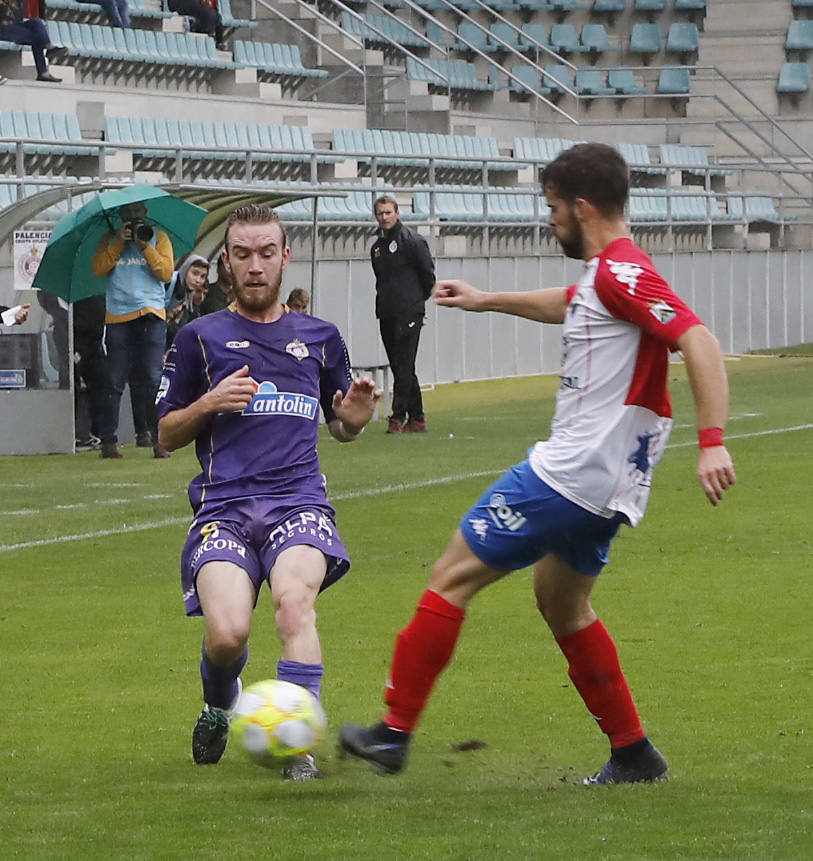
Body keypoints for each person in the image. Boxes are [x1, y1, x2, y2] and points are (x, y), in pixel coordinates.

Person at [339, 143, 737, 784]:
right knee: (563, 604)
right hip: (608, 483)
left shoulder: (623, 273)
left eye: (552, 207)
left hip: (571, 473)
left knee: (449, 577)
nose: (549, 220)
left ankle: (392, 733)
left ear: (582, 207)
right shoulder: (607, 276)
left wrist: (712, 438)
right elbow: (571, 302)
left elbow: (697, 338)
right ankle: (634, 753)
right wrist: (486, 298)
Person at [155, 204, 380, 780]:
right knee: (227, 633)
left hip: (298, 502)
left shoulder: (321, 338)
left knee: (293, 602)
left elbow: (343, 426)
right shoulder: (198, 338)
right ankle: (217, 704)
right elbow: (163, 436)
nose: (255, 266)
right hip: (224, 509)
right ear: (227, 262)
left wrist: (355, 416)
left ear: (284, 257)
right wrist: (207, 404)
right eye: (242, 254)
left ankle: (295, 742)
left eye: (266, 253)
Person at [91, 201, 174, 459]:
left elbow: (166, 273)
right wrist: (118, 243)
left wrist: (144, 246)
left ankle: (159, 439)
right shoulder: (109, 238)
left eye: (139, 213)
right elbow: (99, 269)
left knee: (152, 378)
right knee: (114, 380)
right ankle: (109, 441)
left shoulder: (159, 237)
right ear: (121, 216)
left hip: (151, 314)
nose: (135, 218)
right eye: (129, 214)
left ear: (146, 213)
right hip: (118, 316)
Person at [371, 195, 435, 434]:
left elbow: (428, 276)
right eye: (380, 213)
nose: (384, 217)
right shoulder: (377, 247)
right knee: (401, 366)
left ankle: (397, 417)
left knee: (404, 364)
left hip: (409, 312)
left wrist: (416, 304)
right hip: (386, 312)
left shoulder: (412, 241)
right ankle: (417, 418)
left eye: (388, 212)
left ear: (397, 213)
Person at [0, 0, 62, 82]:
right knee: (37, 37)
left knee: (37, 22)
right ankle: (43, 72)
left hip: (15, 27)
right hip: (3, 29)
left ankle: (49, 46)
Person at [165, 253, 210, 348]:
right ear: (185, 270)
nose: (198, 280)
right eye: (195, 273)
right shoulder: (168, 281)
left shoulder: (187, 294)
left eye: (202, 277)